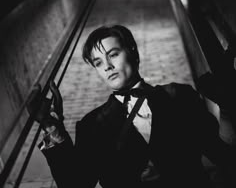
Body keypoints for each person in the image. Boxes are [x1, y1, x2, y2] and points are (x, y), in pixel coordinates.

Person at [35, 25, 236, 188]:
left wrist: (227, 108)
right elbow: (76, 184)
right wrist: (52, 128)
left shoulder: (180, 97)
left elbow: (220, 153)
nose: (107, 66)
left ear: (133, 51)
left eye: (113, 54)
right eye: (98, 62)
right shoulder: (92, 125)